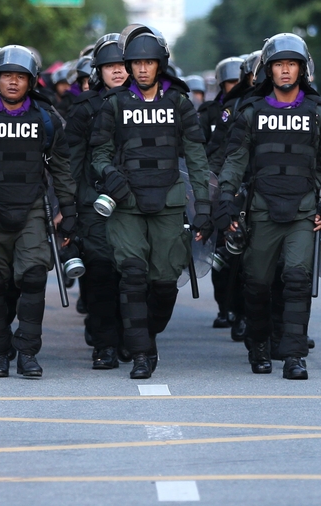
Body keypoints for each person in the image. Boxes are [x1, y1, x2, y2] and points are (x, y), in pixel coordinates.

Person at [214, 33, 321, 380]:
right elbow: (234, 162)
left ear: (302, 69)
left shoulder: (319, 114)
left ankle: (294, 356)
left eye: (292, 64)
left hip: (303, 211)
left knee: (298, 280)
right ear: (268, 71)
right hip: (261, 211)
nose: (285, 71)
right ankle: (258, 345)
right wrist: (224, 200)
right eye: (279, 65)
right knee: (256, 283)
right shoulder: (250, 112)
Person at [90, 25, 212, 379]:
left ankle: (145, 333)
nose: (142, 69)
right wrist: (109, 174)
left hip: (169, 204)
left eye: (149, 62)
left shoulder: (179, 104)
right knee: (131, 274)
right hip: (126, 204)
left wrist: (204, 207)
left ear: (160, 65)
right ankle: (143, 353)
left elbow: (196, 158)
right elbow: (98, 152)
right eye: (136, 63)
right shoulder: (113, 105)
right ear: (128, 66)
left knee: (163, 282)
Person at [0, 46, 78, 378]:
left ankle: (27, 352)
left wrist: (69, 209)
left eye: (19, 77)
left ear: (31, 82)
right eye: (6, 75)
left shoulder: (47, 119)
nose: (12, 82)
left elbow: (62, 169)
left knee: (34, 278)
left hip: (33, 210)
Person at [64, 33, 129, 370]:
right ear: (97, 72)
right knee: (102, 275)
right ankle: (104, 343)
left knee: (135, 276)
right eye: (109, 67)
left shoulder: (153, 104)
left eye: (122, 65)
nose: (117, 72)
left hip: (139, 205)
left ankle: (132, 337)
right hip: (94, 204)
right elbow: (71, 163)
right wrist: (68, 207)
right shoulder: (84, 111)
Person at [200, 56, 249, 336]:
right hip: (232, 190)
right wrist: (212, 186)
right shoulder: (228, 110)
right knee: (227, 258)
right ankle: (229, 308)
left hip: (267, 191)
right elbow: (217, 151)